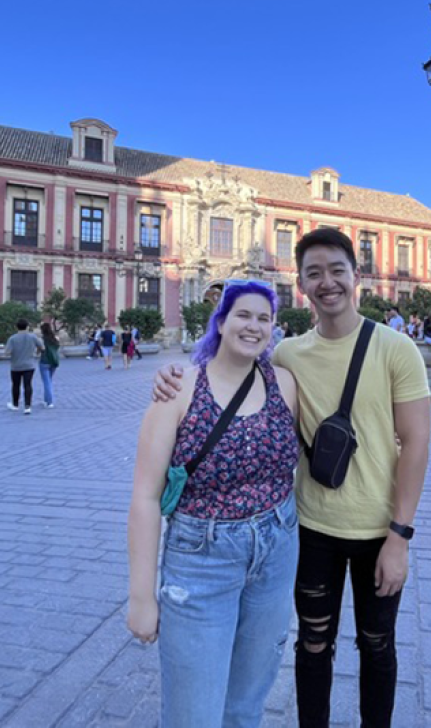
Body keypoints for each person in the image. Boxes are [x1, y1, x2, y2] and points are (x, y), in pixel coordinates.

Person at [153, 228, 431, 728]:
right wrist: (173, 377)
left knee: (377, 644)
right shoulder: (286, 356)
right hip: (310, 531)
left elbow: (416, 444)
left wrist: (400, 537)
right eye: (314, 274)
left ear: (357, 276)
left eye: (336, 270)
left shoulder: (397, 349)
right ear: (300, 285)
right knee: (313, 643)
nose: (327, 283)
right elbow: (227, 372)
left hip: (377, 532)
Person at [127, 281, 300, 728]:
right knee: (194, 714)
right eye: (244, 315)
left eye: (265, 318)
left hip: (277, 548)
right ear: (221, 322)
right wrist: (141, 598)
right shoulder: (181, 389)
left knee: (245, 706)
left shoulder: (284, 383)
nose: (254, 325)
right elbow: (146, 498)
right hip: (202, 559)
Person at [5, 319, 43, 414]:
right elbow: (42, 347)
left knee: (16, 385)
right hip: (29, 365)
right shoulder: (32, 337)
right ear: (27, 327)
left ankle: (15, 404)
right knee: (28, 385)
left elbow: (7, 352)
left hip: (16, 366)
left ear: (16, 327)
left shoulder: (12, 338)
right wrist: (36, 353)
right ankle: (27, 406)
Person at [39, 322, 61, 408]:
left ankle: (49, 402)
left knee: (46, 382)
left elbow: (40, 350)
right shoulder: (56, 339)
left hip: (44, 361)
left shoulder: (42, 339)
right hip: (54, 361)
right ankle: (46, 399)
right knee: (49, 381)